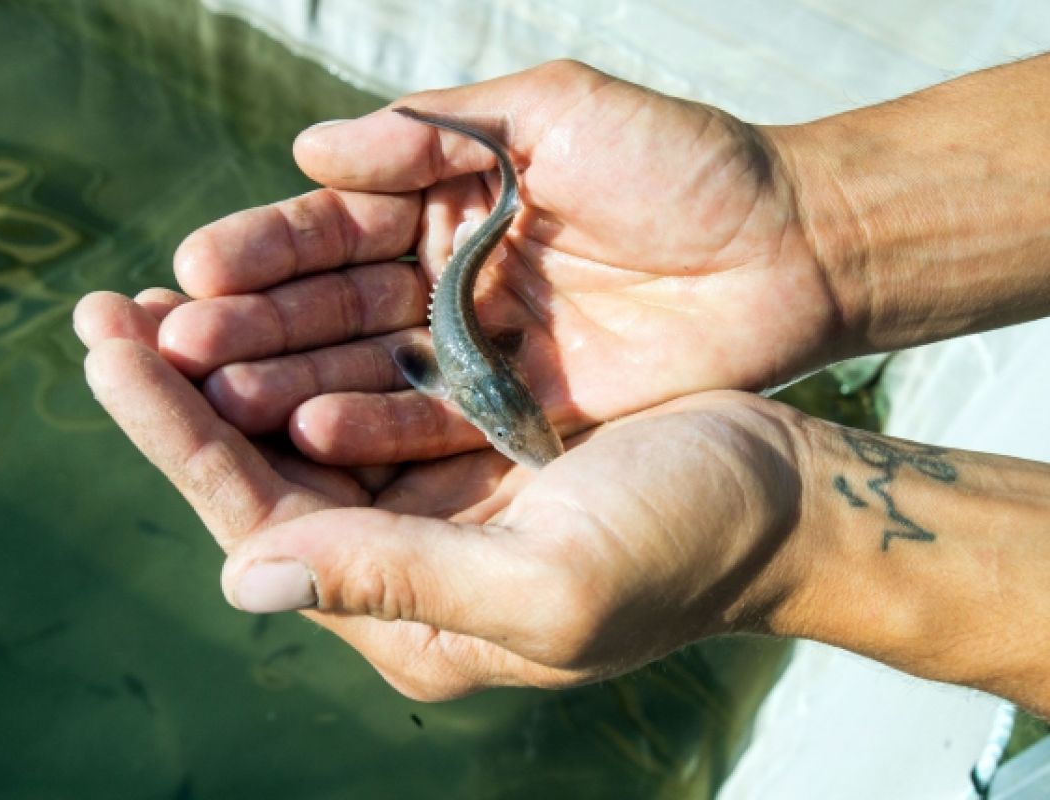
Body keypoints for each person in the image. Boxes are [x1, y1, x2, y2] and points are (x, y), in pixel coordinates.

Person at [74, 56, 1050, 716]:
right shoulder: (479, 382)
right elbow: (430, 359)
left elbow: (431, 362)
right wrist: (812, 224)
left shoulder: (483, 392)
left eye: (524, 433)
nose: (529, 435)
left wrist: (786, 533)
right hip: (461, 312)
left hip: (465, 311)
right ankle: (503, 183)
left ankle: (502, 184)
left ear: (510, 413)